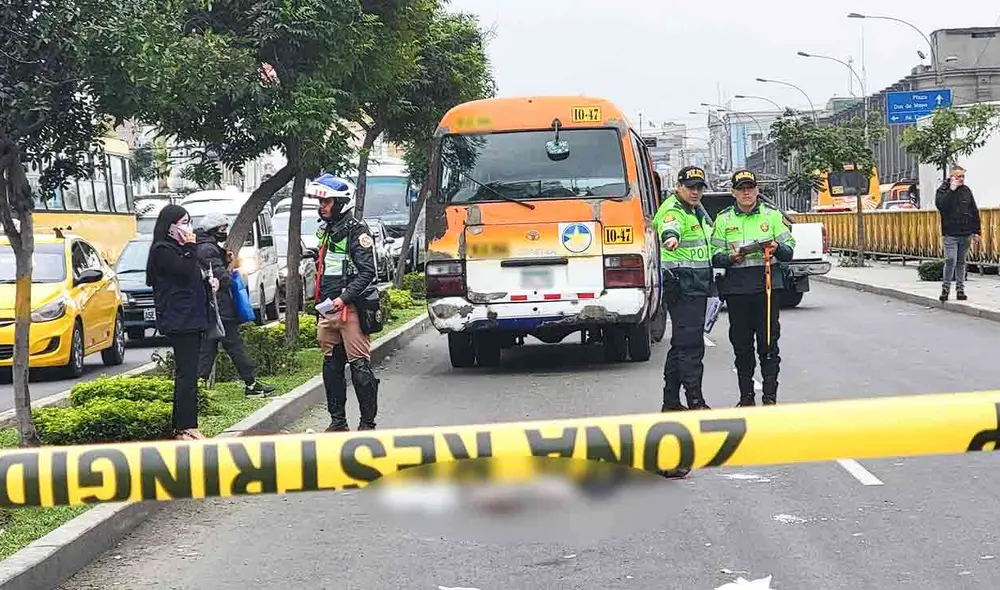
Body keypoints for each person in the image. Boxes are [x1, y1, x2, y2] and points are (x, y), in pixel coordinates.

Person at [710, 170, 795, 406]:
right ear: (734, 192)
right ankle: (746, 398)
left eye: (750, 187)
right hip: (737, 290)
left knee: (768, 344)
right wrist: (730, 257)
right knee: (742, 347)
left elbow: (788, 252)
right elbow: (714, 256)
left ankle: (770, 399)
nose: (746, 192)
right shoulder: (724, 219)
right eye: (741, 188)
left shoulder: (772, 215)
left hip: (767, 288)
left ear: (757, 190)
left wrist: (775, 246)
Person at [306, 174, 380, 432]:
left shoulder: (356, 230)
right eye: (320, 202)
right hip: (327, 310)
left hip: (350, 309)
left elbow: (367, 272)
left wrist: (343, 298)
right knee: (331, 366)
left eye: (326, 202)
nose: (321, 206)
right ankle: (338, 422)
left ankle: (367, 424)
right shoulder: (326, 230)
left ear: (341, 203)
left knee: (360, 367)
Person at [145, 204, 218, 440]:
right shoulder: (163, 250)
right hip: (180, 319)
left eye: (188, 221)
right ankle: (185, 427)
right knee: (186, 374)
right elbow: (184, 272)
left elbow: (192, 277)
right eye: (182, 222)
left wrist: (209, 284)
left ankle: (185, 426)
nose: (187, 228)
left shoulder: (180, 249)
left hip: (193, 318)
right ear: (169, 227)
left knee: (189, 373)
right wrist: (190, 246)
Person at [192, 212, 276, 397]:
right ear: (213, 230)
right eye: (222, 229)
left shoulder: (205, 246)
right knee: (234, 346)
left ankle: (197, 389)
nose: (225, 232)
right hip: (220, 307)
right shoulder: (208, 249)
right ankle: (251, 384)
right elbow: (221, 277)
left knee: (208, 349)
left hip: (213, 308)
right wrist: (231, 275)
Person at [651, 165, 714, 413]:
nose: (695, 192)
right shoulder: (674, 209)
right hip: (683, 285)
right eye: (690, 187)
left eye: (699, 187)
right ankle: (695, 401)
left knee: (680, 345)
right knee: (691, 347)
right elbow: (669, 227)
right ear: (679, 187)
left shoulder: (696, 211)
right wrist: (670, 237)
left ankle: (671, 401)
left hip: (696, 285)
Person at [935, 165, 981, 302]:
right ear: (951, 176)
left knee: (961, 262)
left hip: (965, 232)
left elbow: (974, 210)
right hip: (951, 232)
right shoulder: (943, 190)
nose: (961, 179)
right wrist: (951, 190)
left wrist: (976, 231)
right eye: (958, 176)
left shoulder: (966, 190)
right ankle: (946, 288)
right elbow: (941, 206)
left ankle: (960, 290)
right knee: (950, 260)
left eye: (963, 176)